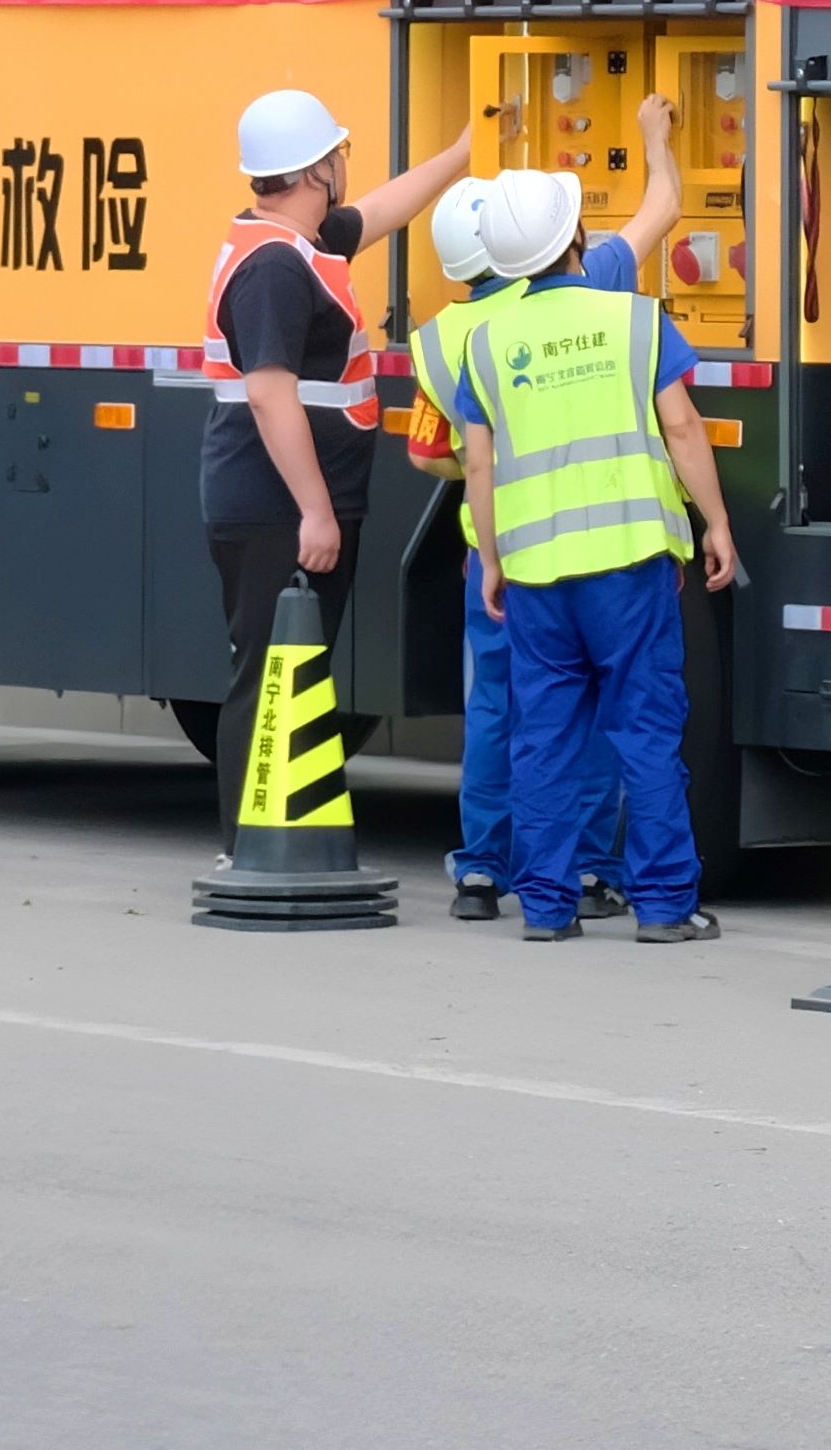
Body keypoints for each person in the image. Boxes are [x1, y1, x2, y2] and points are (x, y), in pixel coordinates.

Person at [438, 160, 743, 940]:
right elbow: (683, 427)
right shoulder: (635, 320)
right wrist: (714, 522)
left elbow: (480, 466)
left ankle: (546, 908)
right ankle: (665, 906)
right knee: (644, 732)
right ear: (576, 234)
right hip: (631, 567)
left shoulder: (487, 343)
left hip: (536, 577)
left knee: (543, 738)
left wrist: (492, 561)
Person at [413, 105, 680, 922]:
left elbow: (434, 454)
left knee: (503, 713)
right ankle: (591, 868)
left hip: (498, 559)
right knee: (595, 715)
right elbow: (662, 208)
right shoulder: (596, 284)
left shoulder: (442, 339)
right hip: (606, 551)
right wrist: (655, 139)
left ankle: (484, 871)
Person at [206, 86, 471, 845]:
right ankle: (250, 847)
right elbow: (269, 395)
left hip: (289, 501)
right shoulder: (275, 268)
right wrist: (316, 512)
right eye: (338, 154)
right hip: (277, 508)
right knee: (270, 676)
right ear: (315, 171)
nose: (345, 167)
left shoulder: (302, 243)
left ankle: (281, 838)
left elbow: (382, 210)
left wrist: (460, 156)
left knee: (295, 670)